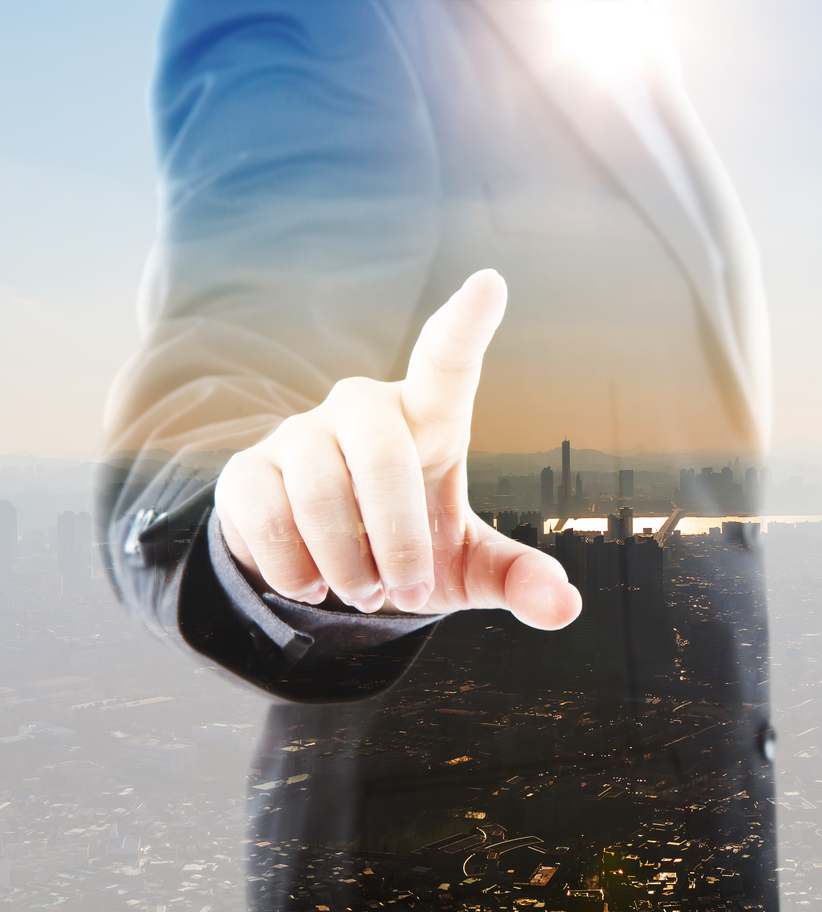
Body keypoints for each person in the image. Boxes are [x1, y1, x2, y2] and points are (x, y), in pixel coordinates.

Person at [97, 1, 776, 908]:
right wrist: (279, 509)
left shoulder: (636, 68)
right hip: (443, 866)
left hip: (696, 848)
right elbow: (237, 344)